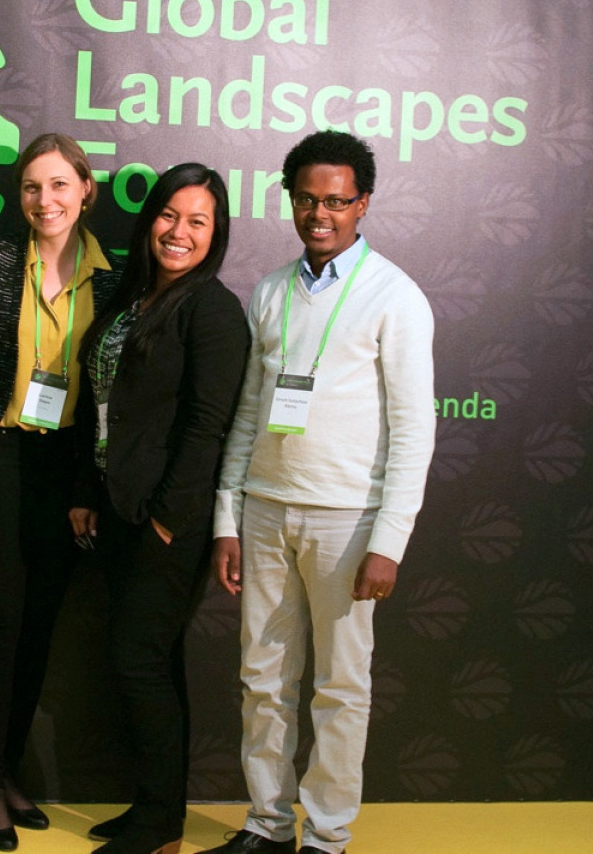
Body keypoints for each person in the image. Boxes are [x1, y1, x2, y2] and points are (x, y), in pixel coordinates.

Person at [199, 131, 435, 854]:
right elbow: (245, 415)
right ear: (291, 199)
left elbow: (413, 430)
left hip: (349, 523)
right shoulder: (270, 290)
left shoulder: (396, 296)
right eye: (307, 199)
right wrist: (227, 518)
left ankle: (327, 838)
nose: (320, 214)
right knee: (262, 681)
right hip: (265, 512)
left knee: (340, 689)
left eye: (337, 201)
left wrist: (388, 543)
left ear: (363, 203)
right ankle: (267, 827)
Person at [68, 164, 249, 854]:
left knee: (138, 660)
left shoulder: (213, 310)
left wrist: (170, 520)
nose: (179, 232)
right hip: (118, 506)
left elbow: (209, 426)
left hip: (169, 520)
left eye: (198, 221)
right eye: (170, 216)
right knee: (154, 662)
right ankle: (157, 807)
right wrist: (89, 492)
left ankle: (157, 823)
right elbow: (101, 408)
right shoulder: (132, 297)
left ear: (216, 233)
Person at [0, 133, 121, 851]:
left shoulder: (116, 280)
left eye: (58, 186)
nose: (44, 201)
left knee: (37, 628)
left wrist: (89, 482)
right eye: (31, 187)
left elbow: (113, 394)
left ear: (85, 189)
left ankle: (9, 769)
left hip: (69, 471)